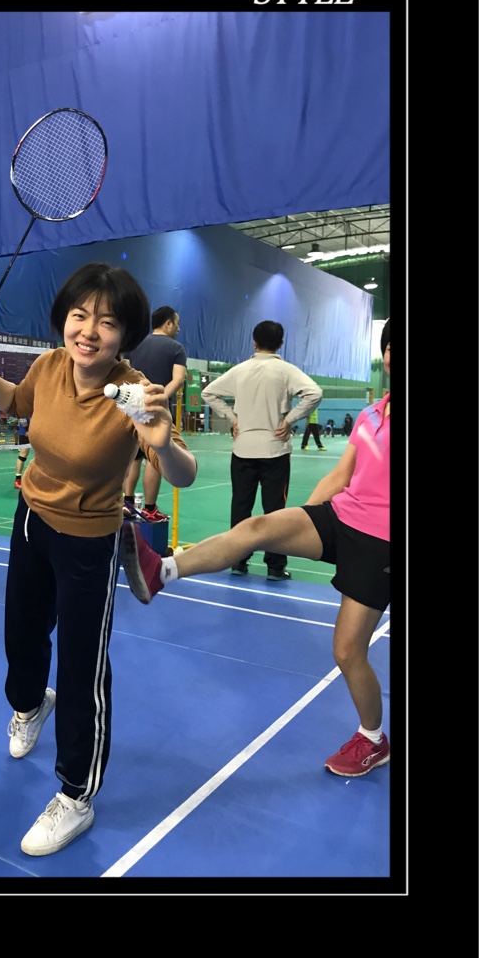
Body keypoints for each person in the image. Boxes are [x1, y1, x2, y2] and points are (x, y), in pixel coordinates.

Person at [0, 262, 197, 856]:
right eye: (79, 315)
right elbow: (16, 402)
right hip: (32, 520)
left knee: (82, 666)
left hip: (89, 542)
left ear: (126, 334)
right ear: (64, 318)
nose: (89, 331)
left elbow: (184, 474)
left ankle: (76, 795)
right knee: (21, 635)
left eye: (106, 322)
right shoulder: (48, 366)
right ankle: (30, 706)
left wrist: (163, 442)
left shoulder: (135, 393)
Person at [121, 319, 391, 780]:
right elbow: (340, 476)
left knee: (347, 651)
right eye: (392, 347)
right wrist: (307, 517)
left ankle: (372, 738)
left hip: (382, 542)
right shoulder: (371, 415)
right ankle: (161, 571)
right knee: (257, 526)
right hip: (341, 517)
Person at [201, 321, 322, 581]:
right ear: (281, 343)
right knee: (275, 512)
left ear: (254, 343)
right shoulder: (287, 371)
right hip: (275, 451)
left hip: (243, 449)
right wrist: (289, 420)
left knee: (240, 506)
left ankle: (237, 561)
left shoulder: (239, 370)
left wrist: (232, 417)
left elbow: (208, 393)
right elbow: (314, 393)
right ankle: (275, 567)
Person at [121, 306, 187, 523]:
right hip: (157, 412)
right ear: (168, 323)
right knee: (154, 458)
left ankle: (127, 503)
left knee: (133, 456)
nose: (178, 328)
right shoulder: (176, 348)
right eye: (177, 323)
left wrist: (137, 400)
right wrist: (159, 400)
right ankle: (149, 509)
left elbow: (125, 371)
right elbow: (178, 379)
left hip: (133, 407)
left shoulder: (136, 344)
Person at [14, 417, 30, 489]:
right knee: (23, 454)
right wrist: (27, 430)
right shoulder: (24, 410)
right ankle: (18, 480)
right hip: (25, 433)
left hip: (36, 432)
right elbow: (22, 418)